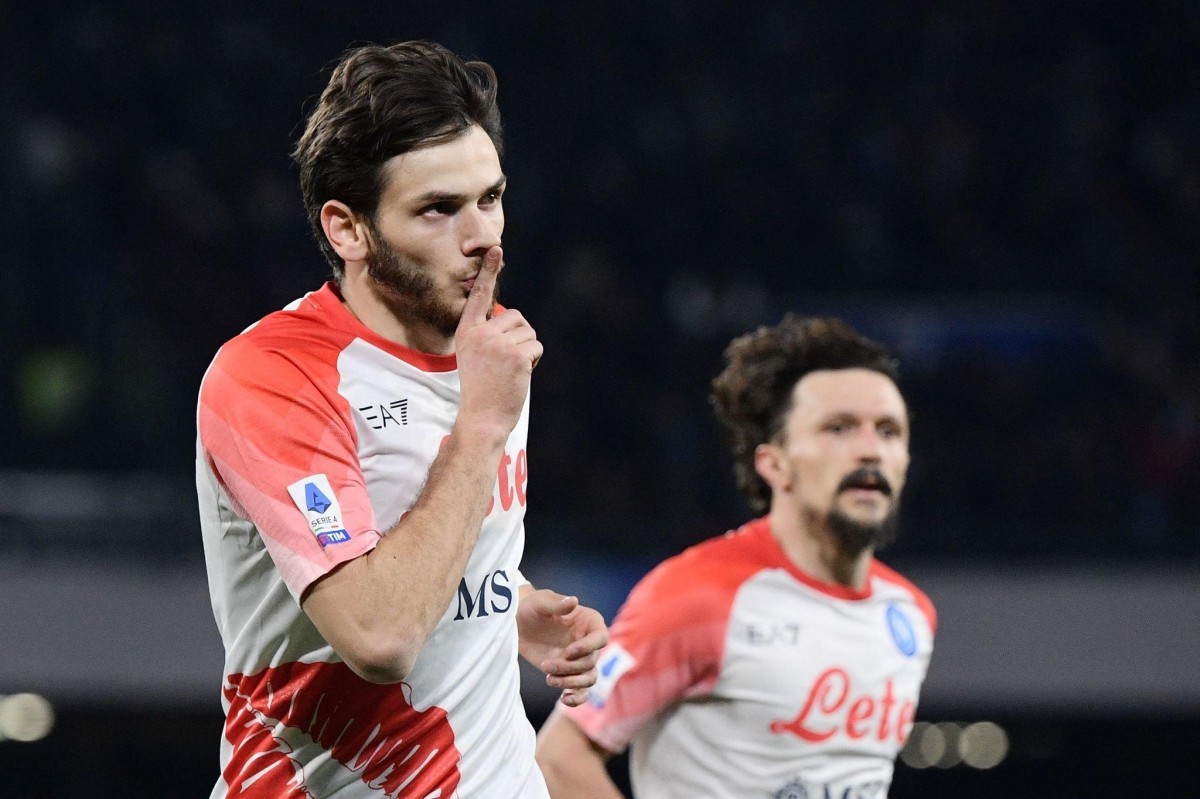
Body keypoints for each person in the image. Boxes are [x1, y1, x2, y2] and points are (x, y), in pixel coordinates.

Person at [196, 41, 607, 798]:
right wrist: (480, 426)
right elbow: (379, 635)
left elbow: (430, 532)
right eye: (439, 209)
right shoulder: (276, 375)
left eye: (490, 198)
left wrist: (509, 604)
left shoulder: (488, 345)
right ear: (347, 229)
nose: (483, 237)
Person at [535, 315, 936, 798]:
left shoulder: (912, 614)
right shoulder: (699, 594)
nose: (870, 450)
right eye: (839, 428)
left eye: (889, 431)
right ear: (774, 464)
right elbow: (560, 758)